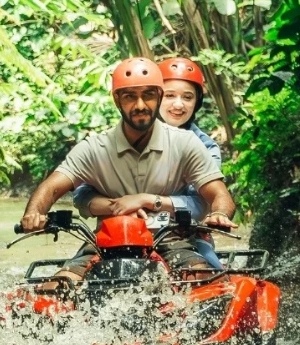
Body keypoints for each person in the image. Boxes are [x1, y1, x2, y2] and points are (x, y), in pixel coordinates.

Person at [20, 56, 236, 282]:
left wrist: (219, 214)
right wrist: (34, 213)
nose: (140, 105)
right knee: (58, 287)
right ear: (117, 100)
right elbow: (53, 186)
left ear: (158, 96)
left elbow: (218, 193)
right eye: (130, 96)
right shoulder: (94, 148)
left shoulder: (187, 143)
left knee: (211, 284)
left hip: (171, 239)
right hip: (106, 241)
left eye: (148, 95)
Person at [74, 56, 223, 268]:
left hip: (183, 234)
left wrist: (145, 200)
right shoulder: (118, 138)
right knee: (72, 272)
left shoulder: (204, 147)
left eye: (187, 97)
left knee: (212, 271)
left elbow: (200, 203)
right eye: (170, 96)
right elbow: (83, 191)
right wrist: (116, 206)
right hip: (121, 231)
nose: (178, 105)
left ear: (196, 102)